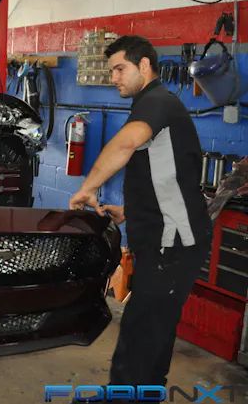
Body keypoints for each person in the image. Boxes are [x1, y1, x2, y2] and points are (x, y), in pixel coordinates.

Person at [69, 35, 212, 397]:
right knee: (156, 329)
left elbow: (125, 143)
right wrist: (131, 211)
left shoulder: (157, 102)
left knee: (139, 331)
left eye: (120, 69)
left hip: (173, 243)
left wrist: (87, 188)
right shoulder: (154, 104)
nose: (114, 77)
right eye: (111, 70)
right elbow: (163, 174)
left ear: (144, 65)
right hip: (169, 239)